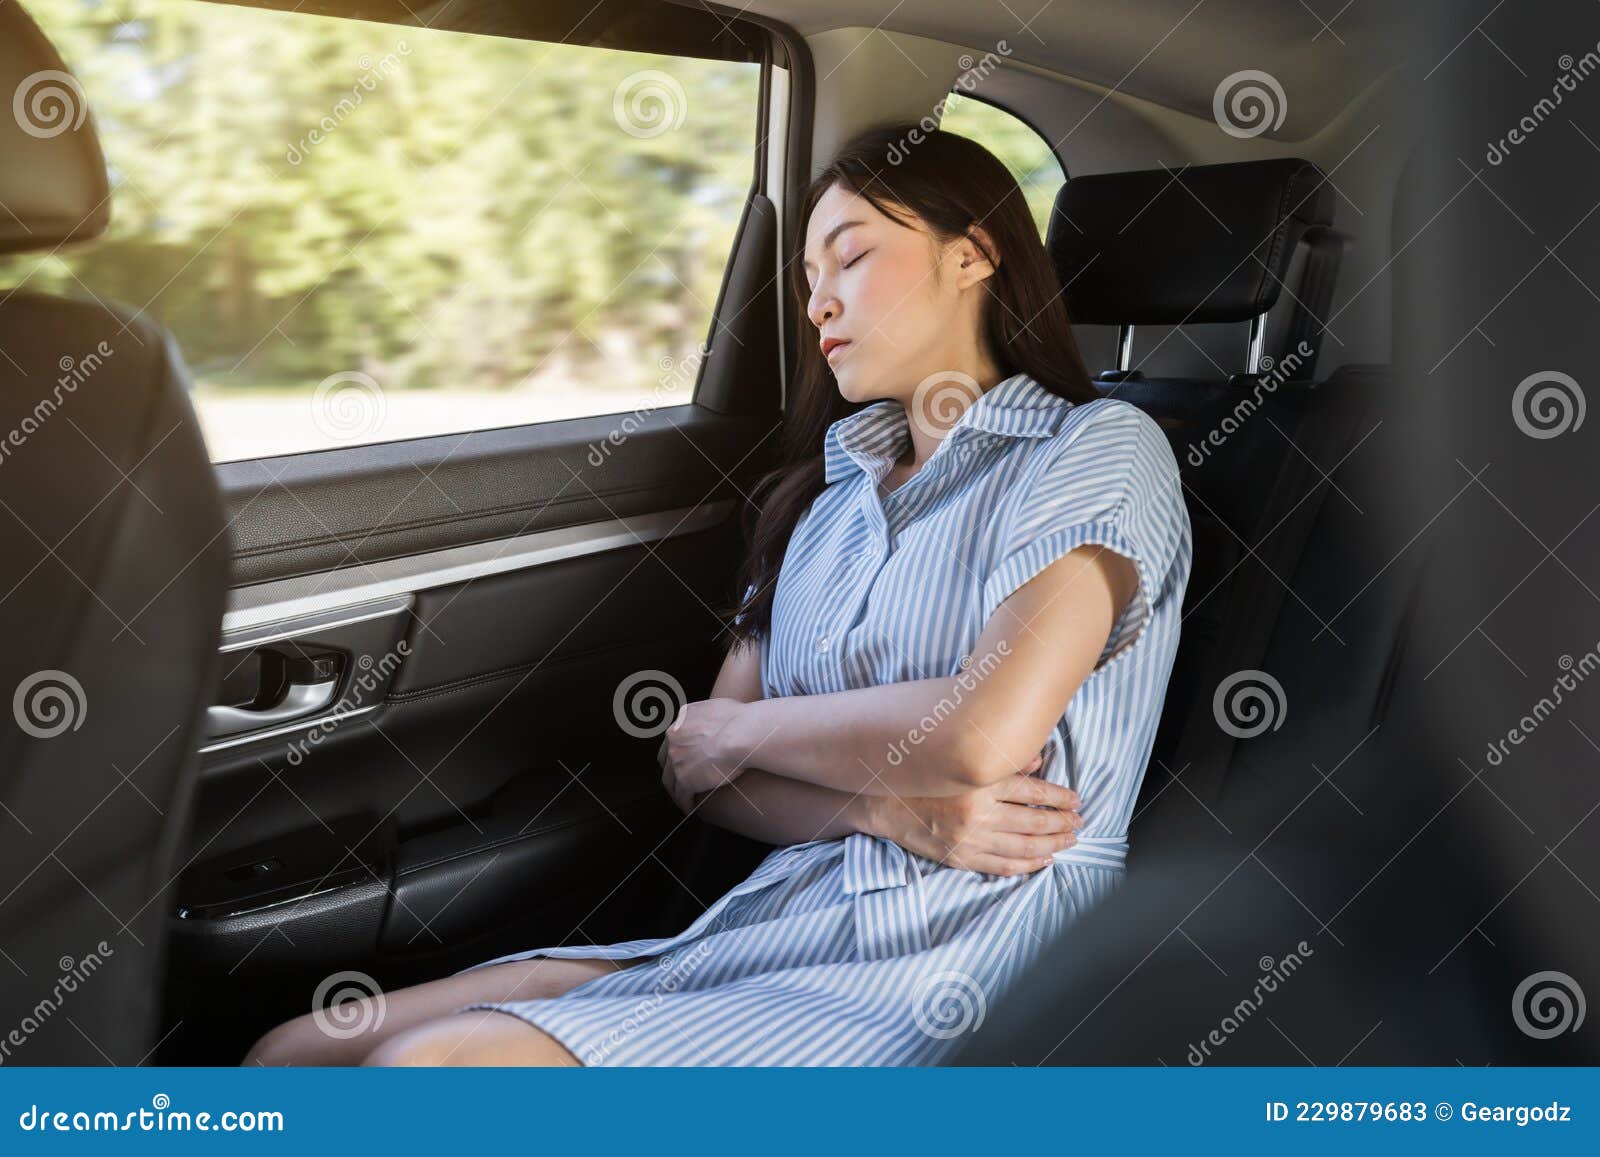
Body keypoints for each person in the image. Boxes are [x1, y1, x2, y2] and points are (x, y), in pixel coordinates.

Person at [243, 124, 1192, 1067]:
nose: (818, 301)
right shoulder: (822, 501)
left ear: (973, 253)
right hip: (775, 919)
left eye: (851, 257)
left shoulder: (1096, 448)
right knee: (301, 1049)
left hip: (972, 951)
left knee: (430, 1074)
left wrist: (738, 732)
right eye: (806, 278)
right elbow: (701, 783)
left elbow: (979, 734)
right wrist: (883, 809)